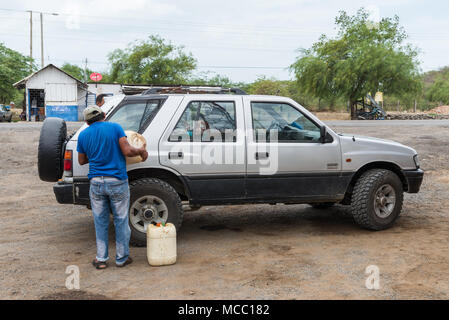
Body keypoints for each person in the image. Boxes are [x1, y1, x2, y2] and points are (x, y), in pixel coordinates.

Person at [77, 105, 148, 270]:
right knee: (121, 220)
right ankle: (122, 258)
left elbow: (81, 160)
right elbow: (127, 151)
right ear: (103, 114)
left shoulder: (83, 135)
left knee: (100, 221)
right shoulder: (115, 127)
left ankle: (101, 259)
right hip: (117, 181)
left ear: (87, 122)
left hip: (96, 183)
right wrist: (141, 151)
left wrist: (97, 155)